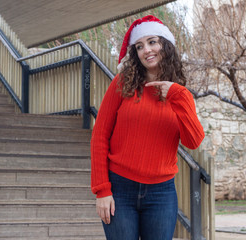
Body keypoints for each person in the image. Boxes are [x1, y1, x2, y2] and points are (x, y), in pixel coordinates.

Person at [90, 15, 205, 240]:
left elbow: (193, 141)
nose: (147, 50)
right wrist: (102, 190)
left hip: (161, 194)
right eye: (140, 46)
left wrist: (177, 94)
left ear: (165, 44)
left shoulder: (180, 94)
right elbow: (100, 136)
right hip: (120, 190)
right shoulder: (123, 83)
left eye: (152, 42)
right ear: (135, 53)